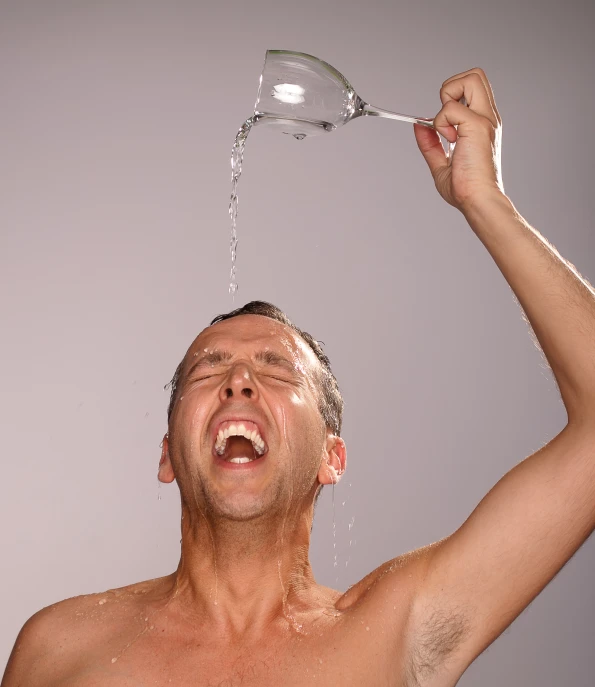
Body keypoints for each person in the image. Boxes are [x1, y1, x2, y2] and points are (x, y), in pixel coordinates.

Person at [3, 67, 594, 687]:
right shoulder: (58, 649)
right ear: (166, 454)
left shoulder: (395, 629)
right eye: (209, 369)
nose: (238, 381)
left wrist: (485, 200)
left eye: (277, 369)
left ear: (331, 456)